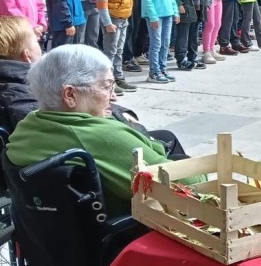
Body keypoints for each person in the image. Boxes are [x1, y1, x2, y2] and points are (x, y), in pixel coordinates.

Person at [6, 44, 202, 217]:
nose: (114, 97)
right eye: (107, 86)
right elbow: (190, 184)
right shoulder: (100, 136)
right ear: (70, 95)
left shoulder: (27, 126)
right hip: (123, 234)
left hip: (52, 238)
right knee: (180, 160)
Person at [92, 0, 137, 93]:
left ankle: (118, 78)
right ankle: (107, 82)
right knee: (110, 52)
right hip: (112, 20)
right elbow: (102, 4)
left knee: (119, 50)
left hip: (123, 19)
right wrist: (108, 23)